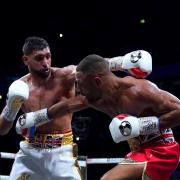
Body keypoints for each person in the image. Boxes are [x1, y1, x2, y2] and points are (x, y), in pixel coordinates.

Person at [0, 36, 152, 179]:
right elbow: (3, 129)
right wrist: (11, 109)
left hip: (61, 152)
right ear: (25, 60)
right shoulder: (20, 87)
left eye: (48, 56)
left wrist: (122, 62)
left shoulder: (64, 76)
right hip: (30, 152)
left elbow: (93, 67)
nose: (46, 62)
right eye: (39, 58)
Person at [74, 54, 180, 180]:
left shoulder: (139, 90)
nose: (78, 89)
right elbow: (79, 72)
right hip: (139, 152)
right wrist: (119, 62)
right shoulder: (98, 100)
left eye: (80, 84)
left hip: (161, 151)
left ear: (96, 81)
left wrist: (141, 126)